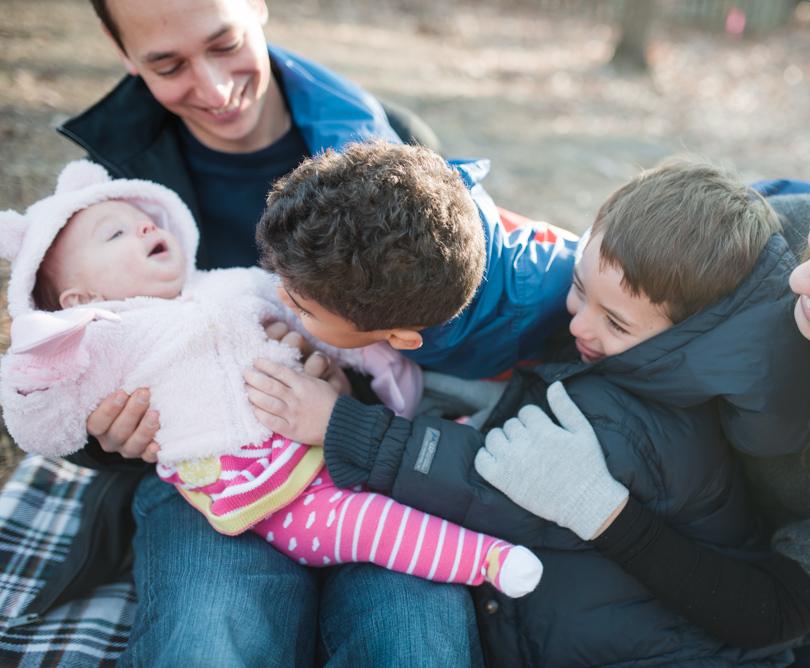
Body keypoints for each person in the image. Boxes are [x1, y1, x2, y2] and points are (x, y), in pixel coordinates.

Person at [19, 1, 574, 665]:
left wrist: (349, 390)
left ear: (257, 6)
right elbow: (65, 372)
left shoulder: (388, 145)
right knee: (208, 633)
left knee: (414, 637)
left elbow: (438, 338)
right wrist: (109, 438)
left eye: (224, 44)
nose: (215, 88)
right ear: (123, 53)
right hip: (205, 481)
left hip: (365, 463)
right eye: (167, 65)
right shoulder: (110, 188)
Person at [473, 105, 810, 666]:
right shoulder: (784, 229)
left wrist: (602, 510)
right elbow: (611, 295)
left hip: (752, 585)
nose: (801, 277)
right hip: (662, 481)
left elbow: (776, 610)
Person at [252, 155, 810, 666]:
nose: (578, 324)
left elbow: (495, 483)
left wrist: (342, 425)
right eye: (580, 290)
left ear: (688, 332)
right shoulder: (620, 359)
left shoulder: (632, 418)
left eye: (616, 321)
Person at [1, 158, 545, 600]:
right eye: (115, 232)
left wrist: (371, 378)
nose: (146, 225)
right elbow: (42, 426)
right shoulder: (100, 339)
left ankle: (478, 470)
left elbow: (337, 328)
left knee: (412, 527)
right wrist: (49, 380)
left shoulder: (236, 284)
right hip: (259, 494)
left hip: (338, 441)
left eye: (144, 218)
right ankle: (487, 561)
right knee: (367, 527)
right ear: (81, 301)